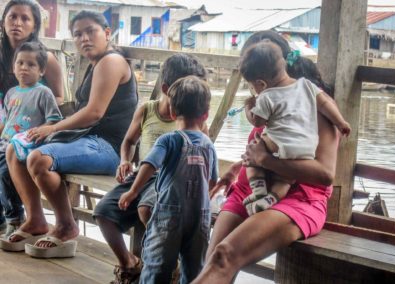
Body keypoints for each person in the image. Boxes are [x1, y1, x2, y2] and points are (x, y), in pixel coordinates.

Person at [192, 30, 340, 284]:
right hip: (251, 188)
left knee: (224, 257)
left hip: (299, 198)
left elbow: (325, 176)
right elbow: (277, 144)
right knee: (212, 259)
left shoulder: (316, 106)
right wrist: (237, 167)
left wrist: (266, 161)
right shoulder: (267, 98)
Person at [3, 10, 137, 258]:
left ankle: (65, 225)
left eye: (90, 31)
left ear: (107, 33)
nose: (84, 38)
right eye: (78, 34)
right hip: (84, 139)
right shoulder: (96, 63)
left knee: (39, 159)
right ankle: (35, 220)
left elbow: (94, 113)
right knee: (16, 147)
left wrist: (52, 128)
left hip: (108, 148)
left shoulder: (111, 61)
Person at [93, 53, 208, 284]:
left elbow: (203, 155)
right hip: (140, 176)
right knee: (103, 212)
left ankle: (164, 263)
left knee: (147, 209)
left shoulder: (194, 120)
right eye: (187, 90)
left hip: (170, 181)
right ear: (166, 88)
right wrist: (124, 160)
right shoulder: (147, 110)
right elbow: (129, 142)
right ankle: (129, 262)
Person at [118, 75, 218, 284]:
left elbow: (149, 164)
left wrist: (133, 191)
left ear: (173, 113)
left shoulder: (169, 139)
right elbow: (212, 180)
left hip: (169, 213)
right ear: (206, 115)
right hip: (200, 215)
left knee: (157, 265)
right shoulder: (208, 145)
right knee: (194, 268)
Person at [240, 41, 350, 215]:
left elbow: (257, 122)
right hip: (305, 149)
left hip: (278, 145)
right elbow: (325, 103)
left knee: (254, 152)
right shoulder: (306, 85)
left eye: (252, 86)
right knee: (286, 177)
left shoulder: (266, 96)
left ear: (260, 83)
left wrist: (248, 107)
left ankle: (258, 190)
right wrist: (341, 122)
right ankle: (273, 198)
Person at [0, 0, 64, 235]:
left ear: (35, 24)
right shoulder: (2, 56)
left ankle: (16, 218)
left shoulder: (45, 58)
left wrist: (35, 117)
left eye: (25, 18)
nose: (17, 23)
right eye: (12, 17)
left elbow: (59, 99)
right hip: (7, 125)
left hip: (34, 132)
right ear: (3, 21)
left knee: (6, 166)